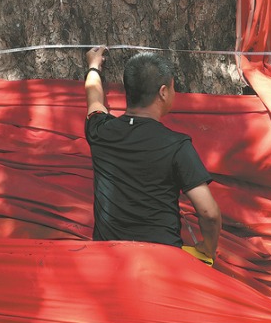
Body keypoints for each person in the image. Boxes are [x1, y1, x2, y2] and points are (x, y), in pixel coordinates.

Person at [84, 46, 221, 263]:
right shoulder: (177, 145)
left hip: (109, 258)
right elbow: (209, 213)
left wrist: (93, 66)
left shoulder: (100, 130)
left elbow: (94, 99)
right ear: (163, 92)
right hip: (161, 262)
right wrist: (208, 247)